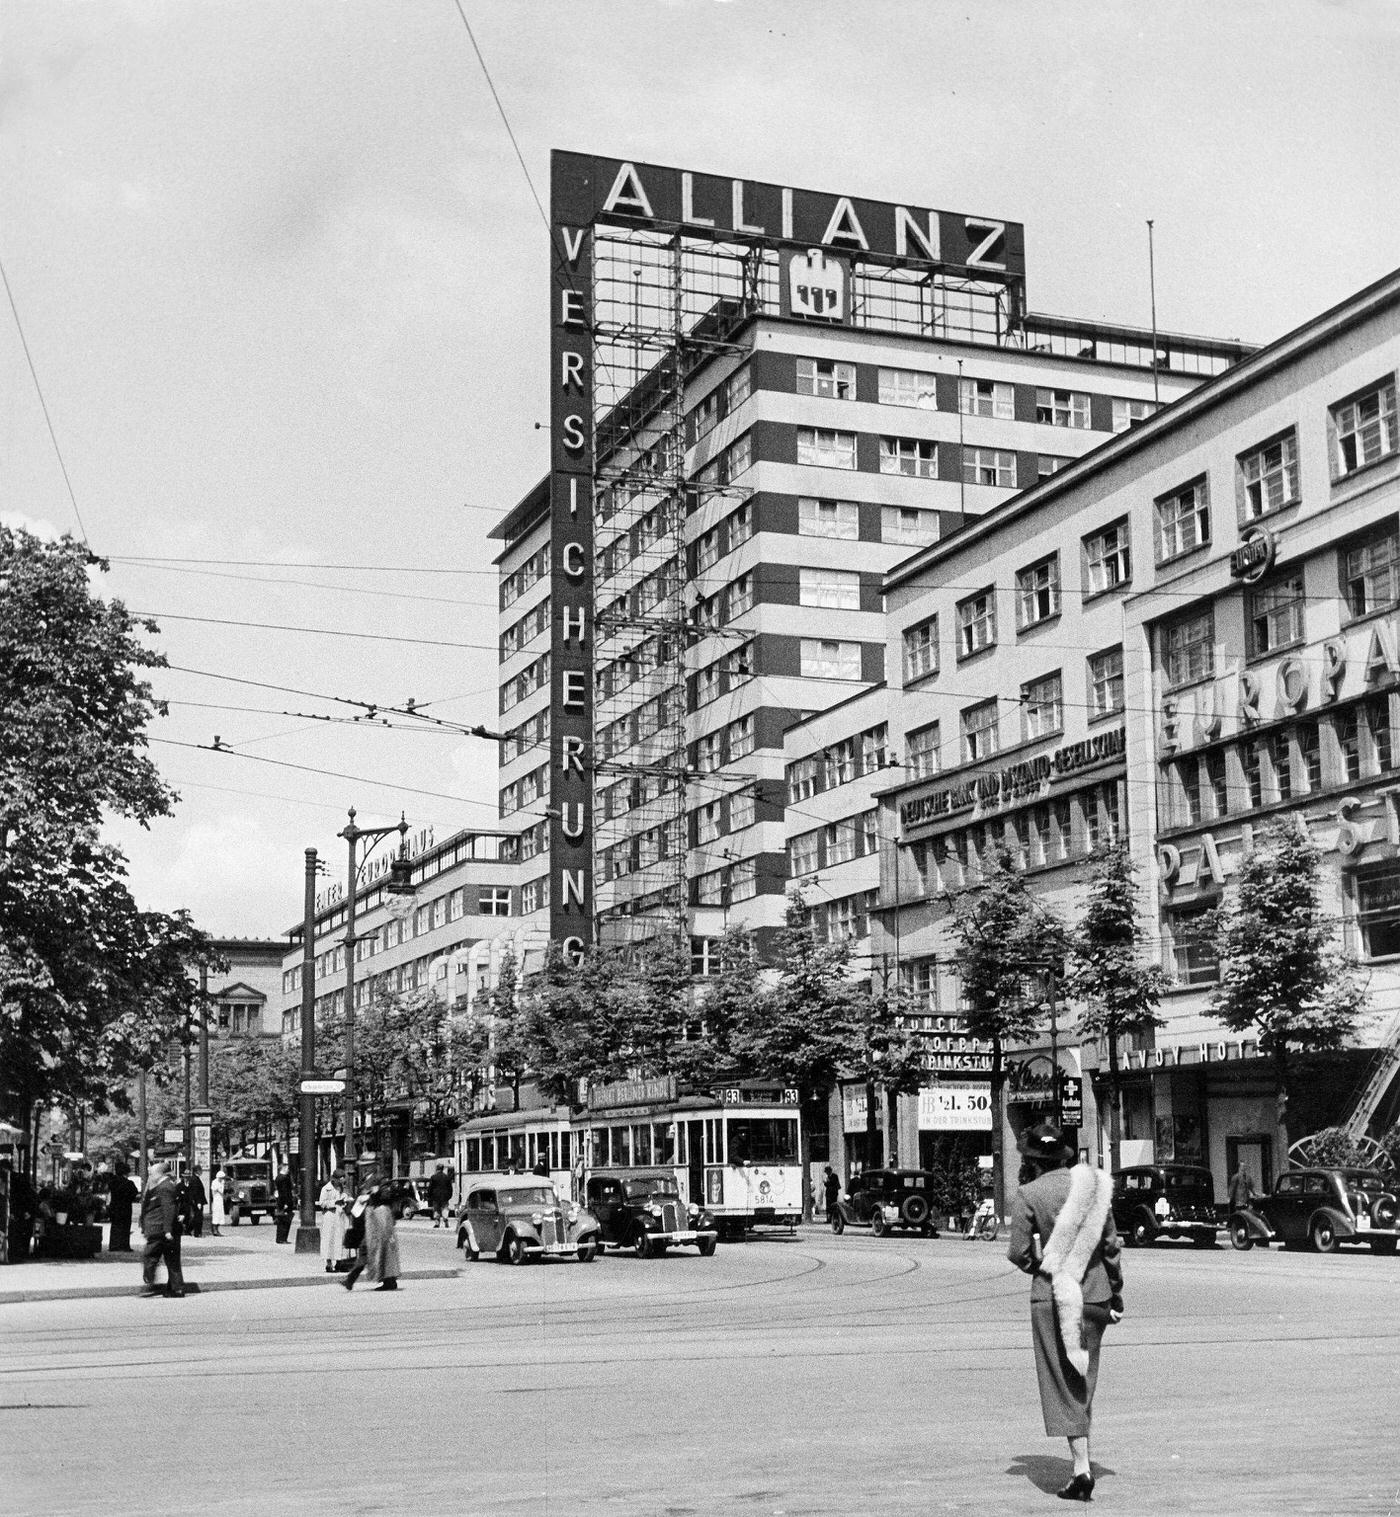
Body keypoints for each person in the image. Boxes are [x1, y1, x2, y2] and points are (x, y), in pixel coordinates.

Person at [1006, 1121, 1123, 1504]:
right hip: (1096, 1295)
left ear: (1032, 1160)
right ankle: (1083, 1463)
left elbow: (1020, 1254)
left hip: (1055, 1297)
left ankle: (1081, 1470)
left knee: (1063, 1379)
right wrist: (1116, 1293)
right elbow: (1110, 1245)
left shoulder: (1028, 1193)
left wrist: (1045, 1262)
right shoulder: (1090, 1186)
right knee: (1084, 1378)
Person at [344, 1176, 400, 1293]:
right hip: (373, 1221)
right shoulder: (368, 1180)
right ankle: (350, 1279)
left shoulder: (382, 1183)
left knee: (382, 1250)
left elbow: (386, 1196)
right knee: (369, 1249)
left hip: (380, 1220)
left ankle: (389, 1281)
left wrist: (374, 1193)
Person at [139, 1161, 186, 1298]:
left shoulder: (164, 1187)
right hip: (165, 1230)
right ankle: (176, 1289)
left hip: (160, 1229)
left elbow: (168, 1209)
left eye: (151, 1173)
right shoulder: (164, 1185)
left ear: (158, 1173)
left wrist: (167, 1230)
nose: (150, 1176)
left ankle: (150, 1283)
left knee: (150, 1256)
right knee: (172, 1260)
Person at [318, 1169, 349, 1273]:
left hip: (339, 1216)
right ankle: (329, 1263)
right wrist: (334, 1202)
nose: (341, 1183)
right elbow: (322, 1203)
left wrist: (345, 1200)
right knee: (328, 1239)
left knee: (339, 1238)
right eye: (339, 1180)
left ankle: (339, 1262)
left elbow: (345, 1198)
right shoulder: (326, 1189)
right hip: (329, 1215)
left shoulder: (341, 1188)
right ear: (334, 1179)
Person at [107, 1162, 139, 1253]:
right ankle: (124, 1245)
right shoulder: (129, 1183)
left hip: (115, 1206)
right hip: (125, 1206)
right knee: (125, 1226)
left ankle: (113, 1244)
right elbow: (134, 1194)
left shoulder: (112, 1182)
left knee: (115, 1225)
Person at [274, 1164, 295, 1244]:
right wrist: (286, 1203)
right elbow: (285, 1191)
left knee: (281, 1221)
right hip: (285, 1202)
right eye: (287, 1168)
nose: (288, 1169)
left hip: (281, 1202)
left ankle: (280, 1238)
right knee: (285, 1221)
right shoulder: (284, 1179)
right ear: (284, 1168)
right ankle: (283, 1238)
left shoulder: (278, 1177)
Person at [426, 1164, 453, 1228]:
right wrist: (449, 1196)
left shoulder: (433, 1177)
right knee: (445, 1209)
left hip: (435, 1197)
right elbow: (450, 1188)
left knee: (436, 1210)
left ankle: (437, 1223)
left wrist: (429, 1196)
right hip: (445, 1197)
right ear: (443, 1169)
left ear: (437, 1169)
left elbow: (430, 1188)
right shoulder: (447, 1177)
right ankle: (446, 1220)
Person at [184, 1165, 207, 1238]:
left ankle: (191, 1230)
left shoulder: (195, 1179)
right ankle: (197, 1232)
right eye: (200, 1170)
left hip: (196, 1201)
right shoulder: (195, 1179)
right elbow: (196, 1192)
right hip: (197, 1201)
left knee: (197, 1217)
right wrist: (198, 1202)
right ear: (197, 1171)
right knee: (198, 1217)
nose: (201, 1171)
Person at [210, 1167, 228, 1236]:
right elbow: (215, 1191)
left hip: (220, 1200)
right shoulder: (214, 1182)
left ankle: (217, 1229)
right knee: (216, 1215)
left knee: (220, 1215)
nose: (222, 1179)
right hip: (216, 1200)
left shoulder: (222, 1182)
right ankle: (214, 1230)